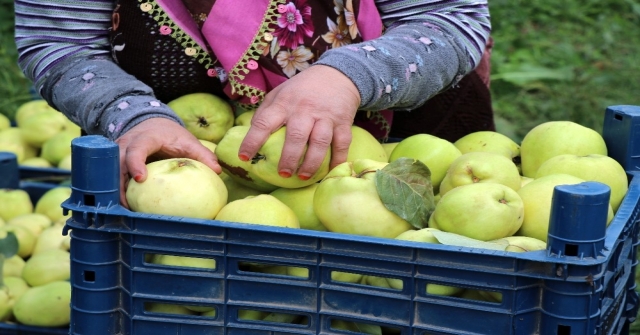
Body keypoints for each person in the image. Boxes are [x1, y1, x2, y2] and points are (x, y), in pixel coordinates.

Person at [14, 0, 492, 206]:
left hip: (405, 153)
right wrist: (128, 113)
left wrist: (346, 78)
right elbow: (61, 41)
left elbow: (450, 18)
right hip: (163, 163)